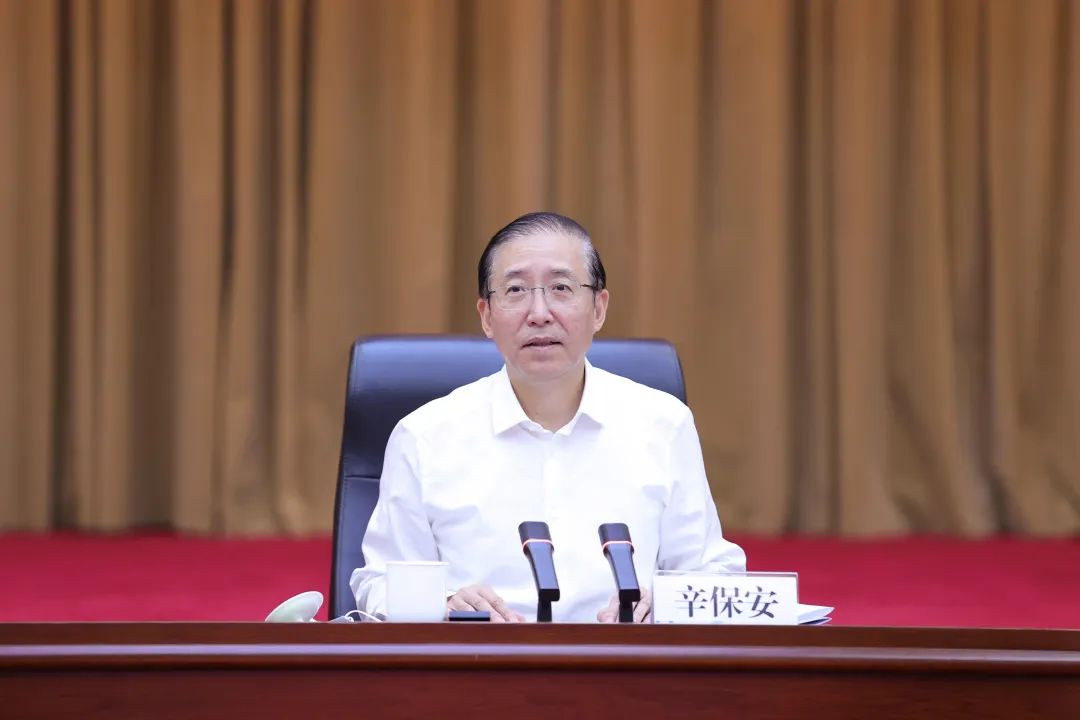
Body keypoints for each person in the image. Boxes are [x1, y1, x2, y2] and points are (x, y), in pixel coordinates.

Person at [351, 212, 745, 622]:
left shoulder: (663, 425)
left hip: (621, 658)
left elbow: (712, 573)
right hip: (482, 658)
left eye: (561, 288)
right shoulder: (424, 436)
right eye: (516, 290)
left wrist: (667, 604)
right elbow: (379, 582)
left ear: (599, 309)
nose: (539, 313)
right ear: (487, 316)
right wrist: (445, 604)